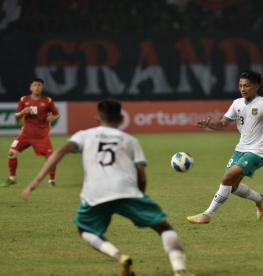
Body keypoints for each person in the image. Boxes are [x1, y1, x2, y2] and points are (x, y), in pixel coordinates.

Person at [21, 100, 188, 276]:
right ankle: (180, 271)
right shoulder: (130, 140)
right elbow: (142, 175)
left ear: (98, 117)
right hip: (126, 190)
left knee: (84, 229)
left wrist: (36, 181)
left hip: (95, 193)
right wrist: (139, 195)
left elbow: (59, 152)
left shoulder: (84, 135)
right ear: (121, 117)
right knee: (164, 228)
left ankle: (120, 256)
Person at [187, 71, 263, 224]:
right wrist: (210, 125)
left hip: (257, 151)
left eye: (247, 85)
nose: (243, 88)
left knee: (226, 178)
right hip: (240, 149)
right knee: (232, 186)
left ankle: (207, 215)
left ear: (256, 86)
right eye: (240, 85)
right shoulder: (236, 103)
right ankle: (260, 199)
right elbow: (223, 124)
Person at [2, 78, 60, 187]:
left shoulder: (47, 101)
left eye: (39, 85)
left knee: (50, 157)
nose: (37, 87)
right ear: (31, 87)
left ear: (42, 88)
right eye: (35, 85)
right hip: (25, 134)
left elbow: (56, 114)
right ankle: (12, 178)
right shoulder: (24, 100)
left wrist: (53, 117)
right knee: (11, 152)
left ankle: (51, 180)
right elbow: (16, 116)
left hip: (41, 136)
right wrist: (23, 112)